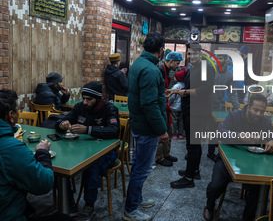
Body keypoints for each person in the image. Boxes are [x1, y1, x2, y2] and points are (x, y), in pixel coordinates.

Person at [203, 94, 273, 221]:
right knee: (216, 185)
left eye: (262, 111)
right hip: (228, 158)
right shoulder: (234, 116)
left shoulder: (265, 122)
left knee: (257, 189)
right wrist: (239, 136)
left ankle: (248, 218)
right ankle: (209, 206)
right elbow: (221, 132)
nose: (258, 114)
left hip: (252, 162)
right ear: (248, 107)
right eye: (255, 110)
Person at [56, 81, 120, 221]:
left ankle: (89, 205)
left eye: (88, 99)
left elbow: (114, 131)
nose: (85, 102)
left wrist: (88, 130)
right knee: (60, 163)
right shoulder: (80, 107)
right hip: (81, 149)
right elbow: (61, 121)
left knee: (91, 167)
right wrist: (62, 124)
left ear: (97, 98)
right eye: (83, 98)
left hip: (106, 152)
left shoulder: (110, 109)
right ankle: (68, 203)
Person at [123, 32, 169, 221]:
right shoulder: (151, 70)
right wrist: (161, 130)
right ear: (161, 50)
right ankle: (131, 209)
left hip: (139, 123)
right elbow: (149, 105)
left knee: (138, 165)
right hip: (147, 127)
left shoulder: (138, 64)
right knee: (142, 168)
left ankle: (137, 198)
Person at [0, 89, 57, 221]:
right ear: (11, 115)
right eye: (18, 109)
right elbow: (44, 183)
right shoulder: (12, 149)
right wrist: (43, 152)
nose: (18, 112)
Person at [169, 42, 215, 188]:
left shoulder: (205, 67)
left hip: (198, 112)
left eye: (195, 53)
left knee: (193, 146)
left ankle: (189, 179)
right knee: (193, 144)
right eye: (190, 53)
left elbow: (206, 89)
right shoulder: (192, 67)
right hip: (190, 109)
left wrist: (184, 93)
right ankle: (194, 170)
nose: (192, 56)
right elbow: (188, 86)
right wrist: (175, 91)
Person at [208, 54, 241, 161]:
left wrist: (237, 107)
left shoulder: (230, 76)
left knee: (215, 130)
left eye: (221, 58)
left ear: (226, 60)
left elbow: (232, 93)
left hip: (218, 106)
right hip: (204, 104)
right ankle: (193, 152)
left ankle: (211, 152)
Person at [155, 51, 183, 167]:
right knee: (162, 132)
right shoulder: (160, 70)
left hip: (166, 104)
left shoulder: (168, 70)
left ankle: (166, 154)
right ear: (171, 61)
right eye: (177, 63)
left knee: (169, 131)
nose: (177, 66)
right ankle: (159, 158)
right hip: (161, 105)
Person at [168, 70, 187, 140]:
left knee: (174, 120)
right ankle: (180, 133)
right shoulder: (185, 85)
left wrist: (169, 104)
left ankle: (174, 133)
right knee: (181, 120)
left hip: (175, 107)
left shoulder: (175, 86)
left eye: (175, 77)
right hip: (182, 107)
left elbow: (172, 97)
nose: (174, 78)